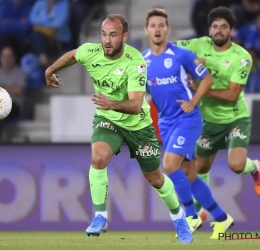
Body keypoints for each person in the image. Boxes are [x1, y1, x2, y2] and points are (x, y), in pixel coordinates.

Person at [45, 14, 193, 243]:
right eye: (104, 34)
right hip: (108, 120)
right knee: (98, 158)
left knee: (156, 179)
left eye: (113, 35)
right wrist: (50, 70)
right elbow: (73, 55)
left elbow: (135, 105)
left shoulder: (135, 62)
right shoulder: (91, 52)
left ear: (124, 37)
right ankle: (100, 216)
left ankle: (179, 218)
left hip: (138, 125)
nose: (106, 40)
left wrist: (111, 103)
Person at [143, 8, 233, 240]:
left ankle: (190, 217)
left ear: (168, 29)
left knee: (170, 165)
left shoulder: (182, 55)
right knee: (189, 174)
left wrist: (194, 100)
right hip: (165, 122)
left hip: (187, 119)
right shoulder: (142, 61)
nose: (157, 29)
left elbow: (208, 78)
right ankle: (222, 218)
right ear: (146, 30)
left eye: (161, 25)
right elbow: (142, 92)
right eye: (153, 25)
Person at [176, 6, 260, 220]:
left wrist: (200, 88)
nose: (219, 31)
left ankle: (256, 166)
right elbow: (170, 49)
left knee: (236, 165)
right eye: (215, 26)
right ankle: (196, 214)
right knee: (200, 167)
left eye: (224, 27)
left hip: (234, 119)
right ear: (209, 30)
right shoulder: (198, 45)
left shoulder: (241, 57)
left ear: (232, 31)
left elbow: (232, 94)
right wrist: (189, 63)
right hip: (208, 122)